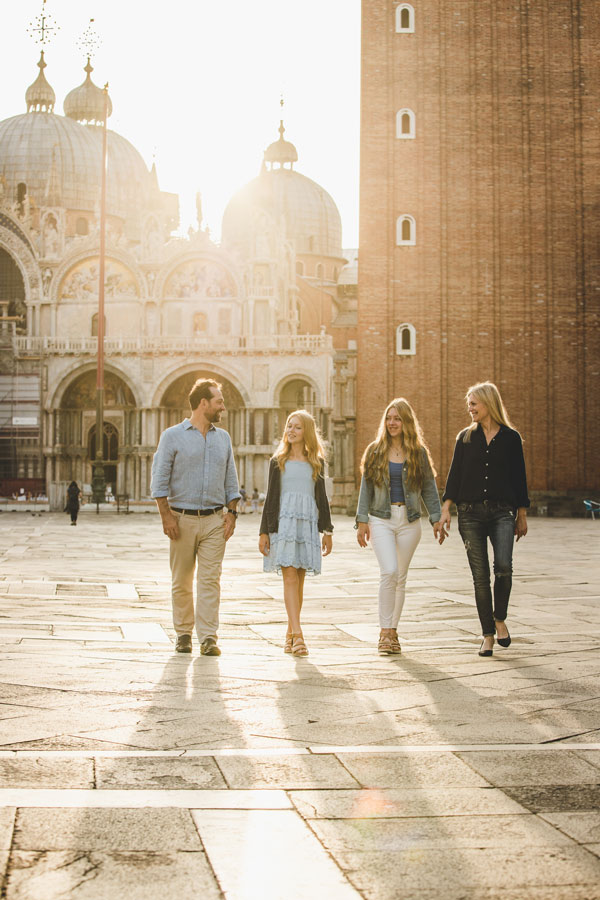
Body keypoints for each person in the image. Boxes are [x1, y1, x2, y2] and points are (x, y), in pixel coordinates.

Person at [438, 381, 529, 657]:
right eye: (469, 404)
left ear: (488, 403)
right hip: (470, 514)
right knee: (480, 577)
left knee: (503, 567)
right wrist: (445, 509)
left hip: (503, 511)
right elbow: (455, 476)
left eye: (474, 403)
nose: (470, 408)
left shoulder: (511, 438)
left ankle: (499, 618)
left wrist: (522, 513)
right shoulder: (465, 437)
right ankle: (488, 634)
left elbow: (519, 477)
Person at [151, 378, 240, 656]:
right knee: (181, 580)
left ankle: (209, 637)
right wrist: (166, 517)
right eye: (219, 402)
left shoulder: (223, 438)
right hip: (181, 519)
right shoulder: (172, 436)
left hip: (215, 520)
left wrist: (232, 513)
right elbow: (159, 480)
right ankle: (183, 633)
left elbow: (231, 480)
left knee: (210, 580)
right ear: (204, 403)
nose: (223, 407)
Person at [356, 398, 443, 655]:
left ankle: (393, 631)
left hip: (409, 521)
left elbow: (429, 486)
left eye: (397, 418)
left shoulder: (418, 452)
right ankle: (384, 631)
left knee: (401, 578)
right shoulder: (375, 450)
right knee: (389, 572)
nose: (392, 423)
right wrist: (362, 521)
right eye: (389, 418)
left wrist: (436, 518)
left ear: (406, 422)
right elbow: (366, 487)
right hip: (381, 518)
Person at [259, 410, 333, 657]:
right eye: (289, 426)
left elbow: (321, 498)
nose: (291, 430)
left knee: (299, 580)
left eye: (297, 427)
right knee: (289, 577)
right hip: (284, 524)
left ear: (307, 432)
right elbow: (271, 498)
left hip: (307, 524)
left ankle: (290, 632)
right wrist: (264, 532)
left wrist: (328, 531)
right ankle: (299, 635)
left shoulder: (317, 463)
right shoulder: (277, 462)